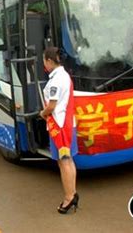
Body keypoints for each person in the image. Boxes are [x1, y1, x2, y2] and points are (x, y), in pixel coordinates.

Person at [39, 47, 79, 214]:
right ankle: (73, 194)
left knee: (64, 162)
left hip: (60, 127)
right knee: (68, 161)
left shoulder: (56, 80)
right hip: (69, 124)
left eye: (44, 61)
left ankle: (69, 198)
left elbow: (52, 106)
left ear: (49, 61)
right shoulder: (65, 75)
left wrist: (42, 113)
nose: (44, 64)